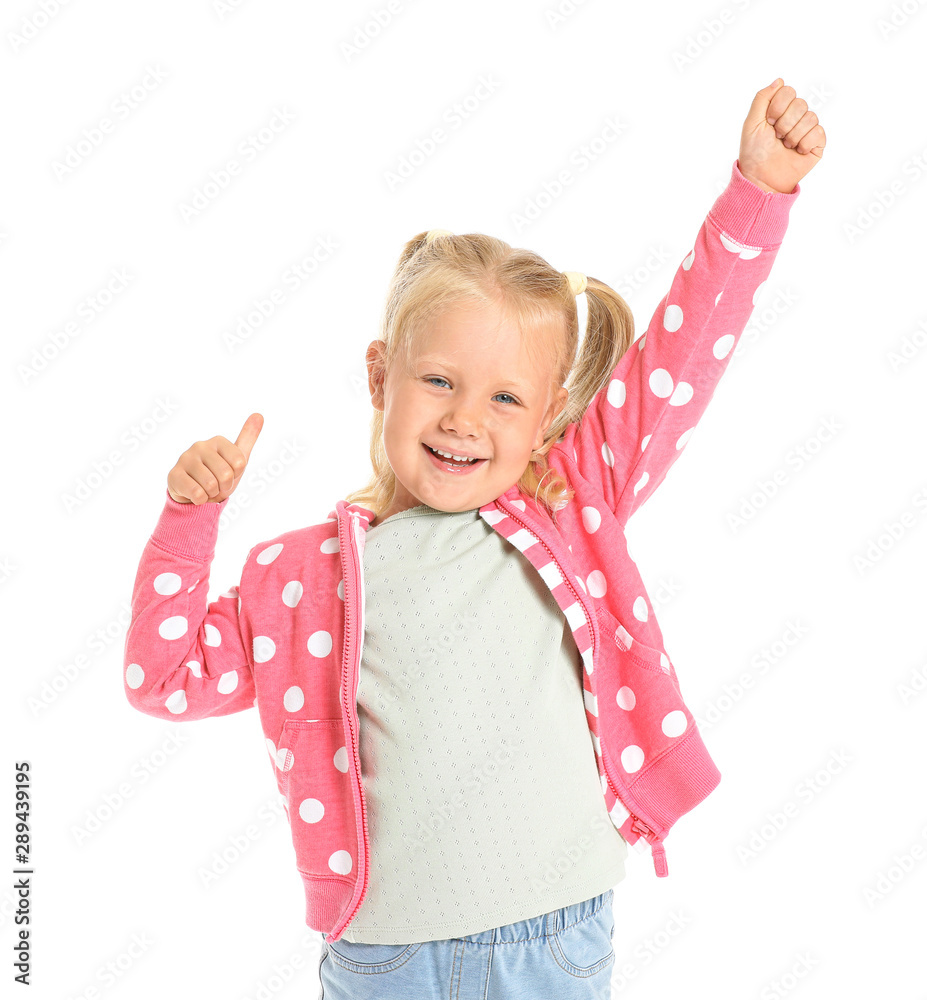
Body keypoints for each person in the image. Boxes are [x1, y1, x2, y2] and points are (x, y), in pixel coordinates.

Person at [123, 78, 824, 999]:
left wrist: (758, 191)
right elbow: (160, 681)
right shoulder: (299, 575)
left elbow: (683, 357)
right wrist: (188, 521)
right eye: (439, 381)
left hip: (558, 938)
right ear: (382, 378)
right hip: (386, 961)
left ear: (545, 421)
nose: (464, 419)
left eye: (503, 398)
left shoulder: (570, 500)